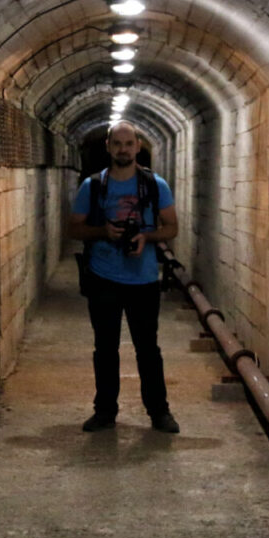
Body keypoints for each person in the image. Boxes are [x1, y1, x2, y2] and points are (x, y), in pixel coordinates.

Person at [67, 122, 181, 433]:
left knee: (148, 349)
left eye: (128, 143)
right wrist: (103, 231)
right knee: (105, 348)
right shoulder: (93, 187)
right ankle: (105, 411)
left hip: (143, 280)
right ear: (108, 146)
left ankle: (159, 412)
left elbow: (172, 227)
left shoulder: (155, 185)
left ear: (138, 146)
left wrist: (147, 237)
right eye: (117, 143)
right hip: (103, 278)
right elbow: (74, 228)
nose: (123, 149)